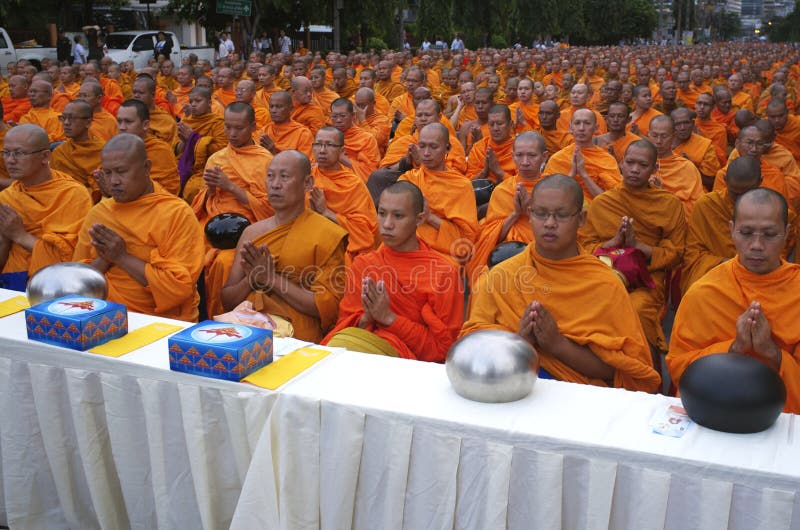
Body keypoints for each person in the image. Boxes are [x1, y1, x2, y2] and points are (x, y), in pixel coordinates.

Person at [461, 173, 660, 392]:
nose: (549, 223)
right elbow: (473, 346)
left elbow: (623, 369)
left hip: (575, 397)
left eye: (562, 215)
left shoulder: (604, 284)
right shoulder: (502, 276)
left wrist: (557, 345)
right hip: (508, 388)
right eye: (541, 213)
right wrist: (520, 342)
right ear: (530, 214)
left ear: (582, 219)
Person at [667, 188, 800, 414]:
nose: (757, 245)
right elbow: (680, 367)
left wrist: (770, 351)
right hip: (714, 407)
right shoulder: (705, 292)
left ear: (787, 233)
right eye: (746, 232)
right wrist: (735, 347)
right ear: (732, 230)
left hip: (782, 417)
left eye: (769, 234)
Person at [323, 181, 463, 361]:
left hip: (410, 368)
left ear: (419, 219)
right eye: (382, 214)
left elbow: (442, 351)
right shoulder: (365, 265)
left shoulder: (444, 274)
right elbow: (346, 329)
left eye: (398, 216)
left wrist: (389, 318)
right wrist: (367, 317)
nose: (387, 224)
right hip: (359, 352)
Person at [74, 133, 204, 321]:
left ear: (146, 168)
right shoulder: (99, 214)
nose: (113, 181)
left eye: (121, 171)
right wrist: (105, 260)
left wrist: (121, 257)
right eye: (108, 173)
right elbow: (77, 282)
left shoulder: (177, 214)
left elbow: (178, 288)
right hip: (102, 317)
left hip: (160, 323)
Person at [221, 150, 347, 342]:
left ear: (307, 183)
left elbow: (327, 307)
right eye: (270, 176)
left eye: (284, 177)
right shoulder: (252, 233)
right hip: (247, 328)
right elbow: (227, 300)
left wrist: (271, 278)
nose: (275, 185)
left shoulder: (327, 234)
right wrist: (252, 279)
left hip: (296, 335)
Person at [579, 140, 686, 355]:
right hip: (605, 274)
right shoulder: (604, 203)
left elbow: (676, 252)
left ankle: (647, 373)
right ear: (621, 164)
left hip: (647, 279)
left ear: (655, 169)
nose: (635, 170)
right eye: (630, 163)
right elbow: (585, 246)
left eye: (643, 165)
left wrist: (638, 247)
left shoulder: (669, 204)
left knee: (637, 310)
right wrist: (613, 243)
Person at [0, 124, 92, 290]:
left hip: (55, 286)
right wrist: (5, 240)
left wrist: (20, 235)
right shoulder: (7, 197)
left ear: (45, 156)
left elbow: (73, 258)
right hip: (10, 282)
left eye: (19, 153)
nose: (10, 160)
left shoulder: (73, 195)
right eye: (6, 153)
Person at [680, 157, 777, 292]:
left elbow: (778, 257)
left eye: (747, 193)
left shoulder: (772, 211)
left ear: (760, 182)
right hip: (715, 273)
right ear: (725, 180)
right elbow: (692, 254)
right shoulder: (707, 205)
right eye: (735, 193)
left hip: (757, 276)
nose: (740, 199)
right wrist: (729, 264)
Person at [465, 132, 548, 283]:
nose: (525, 162)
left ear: (544, 157)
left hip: (544, 252)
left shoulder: (553, 189)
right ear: (513, 156)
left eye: (531, 156)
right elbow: (492, 237)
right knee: (483, 283)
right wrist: (516, 214)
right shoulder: (503, 190)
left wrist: (530, 212)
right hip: (505, 256)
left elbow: (559, 230)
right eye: (519, 155)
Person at [397, 123, 478, 264]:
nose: (426, 153)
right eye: (422, 146)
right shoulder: (408, 179)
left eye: (433, 147)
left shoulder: (461, 186)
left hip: (442, 252)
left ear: (448, 148)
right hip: (405, 245)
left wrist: (429, 217)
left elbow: (466, 239)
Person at [310, 126, 377, 262]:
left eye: (329, 145)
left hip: (342, 244)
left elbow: (363, 230)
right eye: (318, 144)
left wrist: (326, 212)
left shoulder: (353, 184)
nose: (322, 150)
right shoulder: (306, 176)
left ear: (342, 151)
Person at [542, 108, 621, 201]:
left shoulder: (607, 160)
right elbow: (549, 198)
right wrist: (572, 174)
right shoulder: (558, 159)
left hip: (596, 212)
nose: (581, 128)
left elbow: (613, 201)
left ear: (596, 128)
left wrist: (584, 175)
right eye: (577, 123)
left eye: (587, 123)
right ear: (570, 128)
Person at [115, 100, 180, 196]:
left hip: (153, 205)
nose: (122, 127)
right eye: (119, 121)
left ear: (145, 125)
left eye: (128, 122)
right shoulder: (114, 149)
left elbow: (170, 188)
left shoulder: (160, 150)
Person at [177, 86, 228, 202]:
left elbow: (221, 150)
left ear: (209, 103)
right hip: (185, 165)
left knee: (192, 190)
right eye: (191, 101)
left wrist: (193, 138)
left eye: (198, 101)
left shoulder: (218, 123)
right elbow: (176, 150)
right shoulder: (186, 122)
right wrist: (185, 142)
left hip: (207, 167)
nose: (193, 104)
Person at [647, 115, 704, 219]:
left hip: (675, 225)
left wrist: (664, 196)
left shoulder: (686, 167)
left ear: (673, 137)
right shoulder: (639, 164)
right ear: (648, 135)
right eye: (655, 136)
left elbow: (696, 207)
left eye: (664, 136)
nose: (659, 141)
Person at [50, 100, 105, 197]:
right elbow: (54, 185)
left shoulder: (103, 150)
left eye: (72, 118)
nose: (66, 123)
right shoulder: (59, 152)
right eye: (63, 118)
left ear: (88, 122)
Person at [329, 98, 381, 182]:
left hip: (353, 182)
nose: (338, 120)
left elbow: (369, 172)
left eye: (342, 116)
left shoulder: (366, 139)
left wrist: (341, 158)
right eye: (334, 116)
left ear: (353, 116)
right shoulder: (327, 136)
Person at [671, 107, 719, 191]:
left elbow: (712, 181)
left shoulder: (705, 145)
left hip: (695, 192)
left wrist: (691, 166)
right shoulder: (663, 143)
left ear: (693, 123)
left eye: (686, 123)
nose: (682, 127)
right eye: (677, 124)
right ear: (671, 126)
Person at [466, 104, 516, 182]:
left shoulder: (519, 149)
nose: (495, 128)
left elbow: (522, 184)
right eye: (491, 124)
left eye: (500, 124)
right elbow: (468, 182)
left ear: (511, 125)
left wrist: (498, 171)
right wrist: (485, 171)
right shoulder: (479, 147)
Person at [258, 91, 314, 156]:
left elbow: (305, 164)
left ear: (291, 109)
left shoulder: (302, 133)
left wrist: (273, 151)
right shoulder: (264, 131)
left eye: (279, 107)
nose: (274, 110)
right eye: (271, 106)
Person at [131, 75, 177, 147]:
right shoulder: (128, 116)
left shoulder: (166, 121)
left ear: (152, 95)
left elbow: (174, 148)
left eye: (141, 93)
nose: (136, 95)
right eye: (134, 92)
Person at [354, 87, 391, 156]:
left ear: (373, 103)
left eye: (363, 105)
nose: (359, 109)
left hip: (371, 157)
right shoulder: (352, 116)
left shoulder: (382, 120)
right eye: (357, 105)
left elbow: (374, 140)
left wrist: (362, 120)